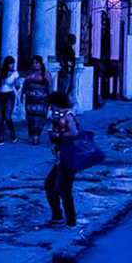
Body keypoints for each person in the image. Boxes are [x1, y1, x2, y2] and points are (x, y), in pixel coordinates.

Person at [44, 90, 79, 225]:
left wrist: (57, 136)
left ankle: (69, 221)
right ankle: (58, 215)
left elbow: (74, 133)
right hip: (62, 156)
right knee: (52, 185)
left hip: (68, 156)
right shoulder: (59, 115)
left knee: (63, 189)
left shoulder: (67, 116)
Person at [0, 56, 20, 145]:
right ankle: (0, 137)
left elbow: (17, 85)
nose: (12, 65)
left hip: (9, 95)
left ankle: (13, 134)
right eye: (11, 63)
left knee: (7, 116)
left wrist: (17, 84)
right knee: (0, 117)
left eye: (13, 63)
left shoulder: (15, 74)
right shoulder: (0, 72)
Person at [22, 55, 51, 146]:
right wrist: (22, 95)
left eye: (37, 63)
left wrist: (50, 99)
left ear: (41, 63)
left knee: (40, 118)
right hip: (30, 100)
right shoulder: (30, 73)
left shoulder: (45, 73)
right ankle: (31, 135)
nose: (35, 65)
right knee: (30, 118)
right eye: (33, 63)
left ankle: (36, 136)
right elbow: (24, 85)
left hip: (41, 101)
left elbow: (49, 86)